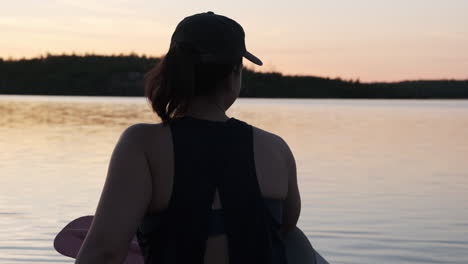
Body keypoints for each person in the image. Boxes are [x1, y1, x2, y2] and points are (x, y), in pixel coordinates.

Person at [75, 11, 301, 264]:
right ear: (234, 74)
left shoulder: (142, 144)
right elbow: (286, 228)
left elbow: (104, 252)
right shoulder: (276, 148)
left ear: (172, 70)